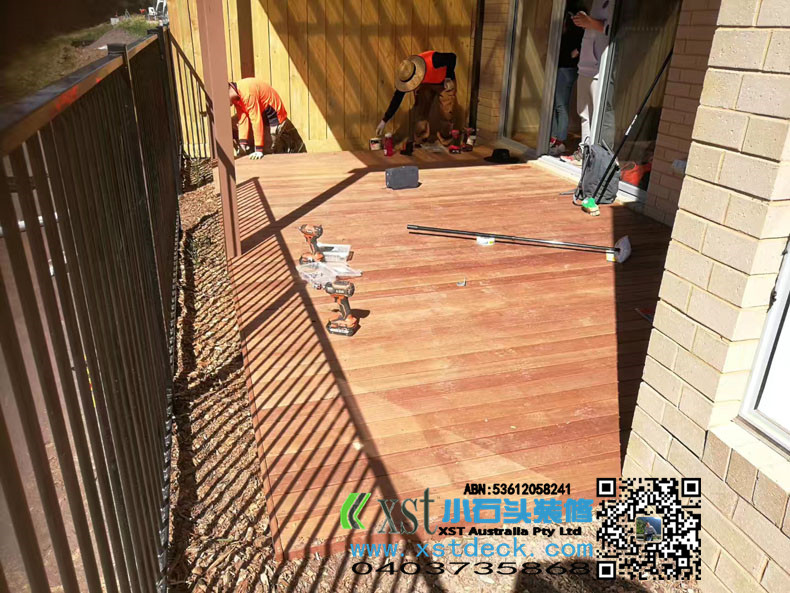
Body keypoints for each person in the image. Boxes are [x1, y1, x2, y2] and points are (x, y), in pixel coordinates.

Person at [562, 0, 615, 165]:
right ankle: (584, 153)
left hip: (601, 68)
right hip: (585, 66)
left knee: (599, 117)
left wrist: (590, 22)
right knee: (584, 114)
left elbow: (613, 30)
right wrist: (584, 22)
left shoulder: (614, 4)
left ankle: (598, 160)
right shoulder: (596, 3)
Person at [376, 51, 457, 143]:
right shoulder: (406, 72)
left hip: (444, 81)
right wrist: (384, 121)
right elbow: (397, 99)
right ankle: (420, 140)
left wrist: (448, 77)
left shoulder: (434, 60)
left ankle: (446, 139)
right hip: (426, 83)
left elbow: (452, 57)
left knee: (447, 111)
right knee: (420, 110)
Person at [549, 5, 584, 156]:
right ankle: (555, 138)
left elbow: (578, 48)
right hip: (564, 69)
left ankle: (560, 141)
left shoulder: (575, 32)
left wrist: (574, 53)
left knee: (561, 105)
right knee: (557, 105)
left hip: (566, 70)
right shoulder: (568, 32)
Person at [229, 78, 287, 159]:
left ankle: (279, 147)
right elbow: (242, 119)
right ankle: (251, 147)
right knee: (232, 123)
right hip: (260, 114)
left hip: (274, 118)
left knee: (266, 153)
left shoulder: (247, 93)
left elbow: (256, 121)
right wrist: (242, 144)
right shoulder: (236, 97)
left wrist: (259, 149)